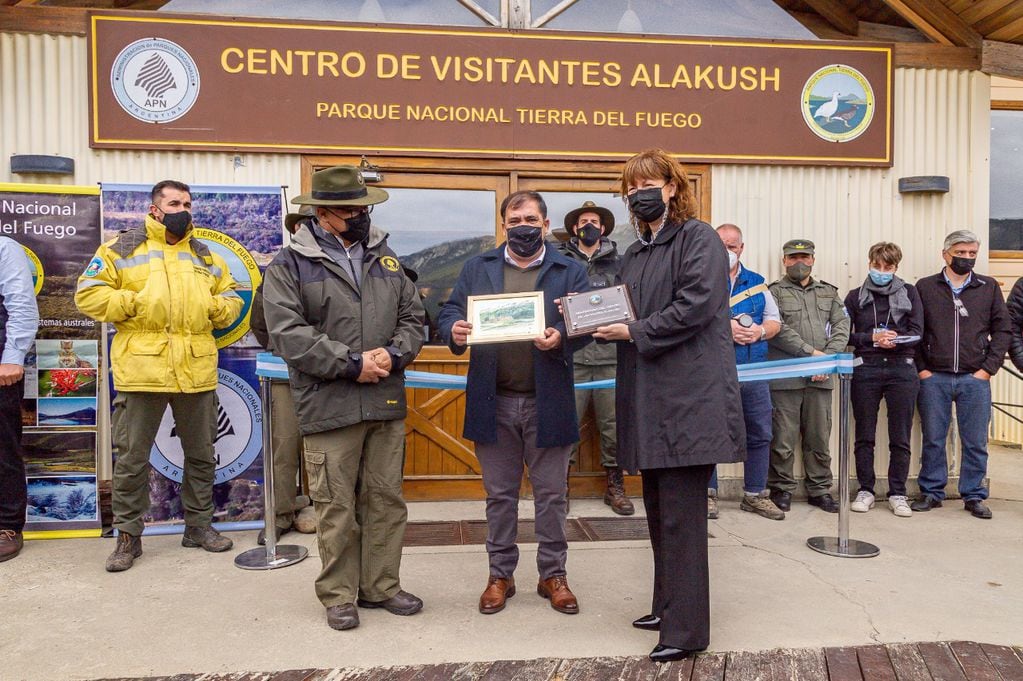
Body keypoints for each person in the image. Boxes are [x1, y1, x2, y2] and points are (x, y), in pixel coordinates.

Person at [593, 149, 744, 662]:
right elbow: (620, 307)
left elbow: (696, 305)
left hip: (689, 401)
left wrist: (633, 331)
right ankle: (666, 604)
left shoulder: (698, 238)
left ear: (673, 188)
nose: (640, 194)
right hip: (648, 399)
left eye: (649, 183)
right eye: (631, 187)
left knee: (682, 519)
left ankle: (686, 631)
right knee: (659, 515)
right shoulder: (634, 253)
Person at [262, 165, 426, 630]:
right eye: (348, 209)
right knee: (336, 507)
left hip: (385, 402)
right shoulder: (289, 266)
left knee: (385, 501)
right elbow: (287, 333)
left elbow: (414, 318)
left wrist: (393, 356)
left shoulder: (387, 258)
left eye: (362, 208)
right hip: (328, 405)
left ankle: (382, 587)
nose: (358, 216)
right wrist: (352, 363)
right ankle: (338, 594)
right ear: (321, 213)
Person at [76, 180, 243, 571]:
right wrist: (136, 301)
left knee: (201, 454)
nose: (182, 208)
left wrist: (216, 309)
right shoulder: (122, 248)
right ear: (155, 209)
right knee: (133, 458)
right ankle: (128, 537)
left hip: (196, 369)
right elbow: (88, 294)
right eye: (173, 202)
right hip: (142, 370)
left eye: (186, 202)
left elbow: (233, 297)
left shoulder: (205, 255)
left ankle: (198, 527)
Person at [438, 190, 591, 618]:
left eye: (530, 219)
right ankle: (499, 575)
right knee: (499, 496)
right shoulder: (478, 267)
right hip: (494, 400)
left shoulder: (569, 269)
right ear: (504, 225)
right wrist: (456, 330)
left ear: (545, 224)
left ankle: (553, 575)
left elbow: (587, 322)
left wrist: (562, 334)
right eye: (514, 219)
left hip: (550, 400)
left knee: (551, 495)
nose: (521, 226)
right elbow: (448, 311)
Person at [914, 230, 1010, 519]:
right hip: (935, 377)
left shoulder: (988, 287)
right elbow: (916, 331)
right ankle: (932, 491)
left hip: (974, 378)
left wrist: (987, 369)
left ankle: (974, 495)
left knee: (976, 440)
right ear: (946, 254)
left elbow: (1002, 330)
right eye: (961, 252)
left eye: (972, 253)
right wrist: (923, 370)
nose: (966, 258)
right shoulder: (925, 287)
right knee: (933, 437)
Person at [556, 200, 633, 515]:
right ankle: (559, 488)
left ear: (603, 229)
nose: (589, 225)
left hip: (610, 355)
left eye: (595, 221)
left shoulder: (622, 261)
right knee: (566, 424)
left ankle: (615, 487)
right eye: (583, 220)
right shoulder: (559, 260)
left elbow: (632, 300)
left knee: (613, 425)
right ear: (575, 228)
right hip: (570, 357)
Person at [766, 239, 850, 514]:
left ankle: (820, 489)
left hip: (822, 375)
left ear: (813, 259)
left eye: (804, 257)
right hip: (786, 378)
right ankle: (781, 488)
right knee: (783, 438)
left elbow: (841, 325)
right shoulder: (774, 293)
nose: (799, 263)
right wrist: (809, 354)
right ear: (784, 261)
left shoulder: (828, 292)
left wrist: (826, 359)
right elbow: (777, 329)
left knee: (818, 438)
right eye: (793, 258)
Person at [707, 224, 784, 521]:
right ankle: (708, 494)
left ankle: (754, 495)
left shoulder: (757, 283)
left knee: (760, 433)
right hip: (713, 371)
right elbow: (689, 319)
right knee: (711, 433)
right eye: (722, 244)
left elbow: (775, 322)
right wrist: (726, 328)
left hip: (753, 371)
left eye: (733, 245)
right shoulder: (701, 280)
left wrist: (760, 332)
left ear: (742, 248)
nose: (728, 250)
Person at [248, 208, 315, 545]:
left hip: (329, 374)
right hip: (286, 373)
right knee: (284, 445)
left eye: (309, 224)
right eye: (299, 226)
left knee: (325, 446)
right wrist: (282, 349)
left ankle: (322, 509)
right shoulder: (280, 267)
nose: (303, 230)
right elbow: (259, 320)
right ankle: (280, 516)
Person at [843, 242, 924, 518]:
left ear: (896, 267)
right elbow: (845, 335)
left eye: (887, 267)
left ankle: (898, 492)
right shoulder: (855, 297)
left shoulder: (910, 292)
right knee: (864, 433)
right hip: (866, 368)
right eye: (877, 266)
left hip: (902, 368)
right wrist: (872, 338)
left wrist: (896, 341)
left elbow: (917, 332)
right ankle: (866, 489)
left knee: (899, 434)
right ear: (869, 263)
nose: (881, 271)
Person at [0, 237, 40, 563]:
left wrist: (13, 357)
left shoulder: (3, 248)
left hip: (0, 365)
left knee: (2, 447)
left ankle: (8, 525)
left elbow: (22, 305)